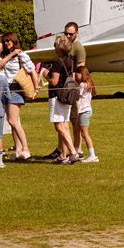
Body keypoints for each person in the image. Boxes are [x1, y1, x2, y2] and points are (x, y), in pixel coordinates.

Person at [0, 32, 38, 160]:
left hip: (15, 88)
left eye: (9, 40)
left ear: (14, 41)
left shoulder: (22, 56)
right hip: (4, 88)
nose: (6, 43)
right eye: (5, 41)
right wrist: (11, 54)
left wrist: (36, 89)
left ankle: (26, 149)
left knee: (13, 121)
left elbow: (33, 72)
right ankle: (18, 149)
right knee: (11, 122)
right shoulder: (4, 55)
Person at [47, 34, 81, 164]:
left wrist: (46, 76)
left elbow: (54, 82)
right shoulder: (70, 61)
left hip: (57, 96)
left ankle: (73, 152)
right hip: (68, 95)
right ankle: (63, 155)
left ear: (59, 48)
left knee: (59, 126)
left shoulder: (56, 62)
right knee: (65, 125)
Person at [72, 67, 99, 163]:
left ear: (82, 74)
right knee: (76, 131)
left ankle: (92, 156)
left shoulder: (83, 85)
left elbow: (76, 96)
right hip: (81, 112)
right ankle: (75, 153)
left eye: (77, 75)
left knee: (84, 134)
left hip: (84, 112)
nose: (75, 77)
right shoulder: (86, 84)